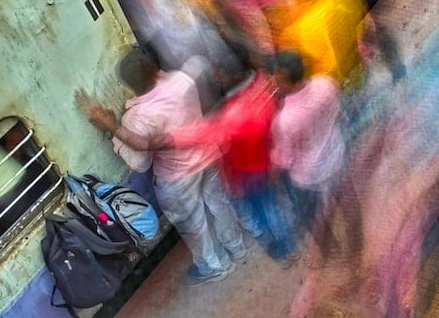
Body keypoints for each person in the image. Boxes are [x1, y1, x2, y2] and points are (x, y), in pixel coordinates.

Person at [77, 49, 247, 286]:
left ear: (128, 84)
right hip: (207, 156)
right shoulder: (181, 80)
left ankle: (216, 265)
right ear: (154, 69)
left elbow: (141, 162)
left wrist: (112, 129)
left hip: (178, 178)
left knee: (194, 224)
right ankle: (237, 247)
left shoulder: (136, 117)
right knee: (220, 204)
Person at [268, 51, 345, 241]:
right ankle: (356, 241)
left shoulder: (285, 120)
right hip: (337, 156)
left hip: (309, 176)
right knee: (348, 203)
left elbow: (286, 159)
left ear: (287, 82)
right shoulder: (325, 83)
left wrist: (273, 174)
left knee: (312, 216)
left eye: (276, 78)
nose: (272, 81)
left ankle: (329, 247)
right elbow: (338, 110)